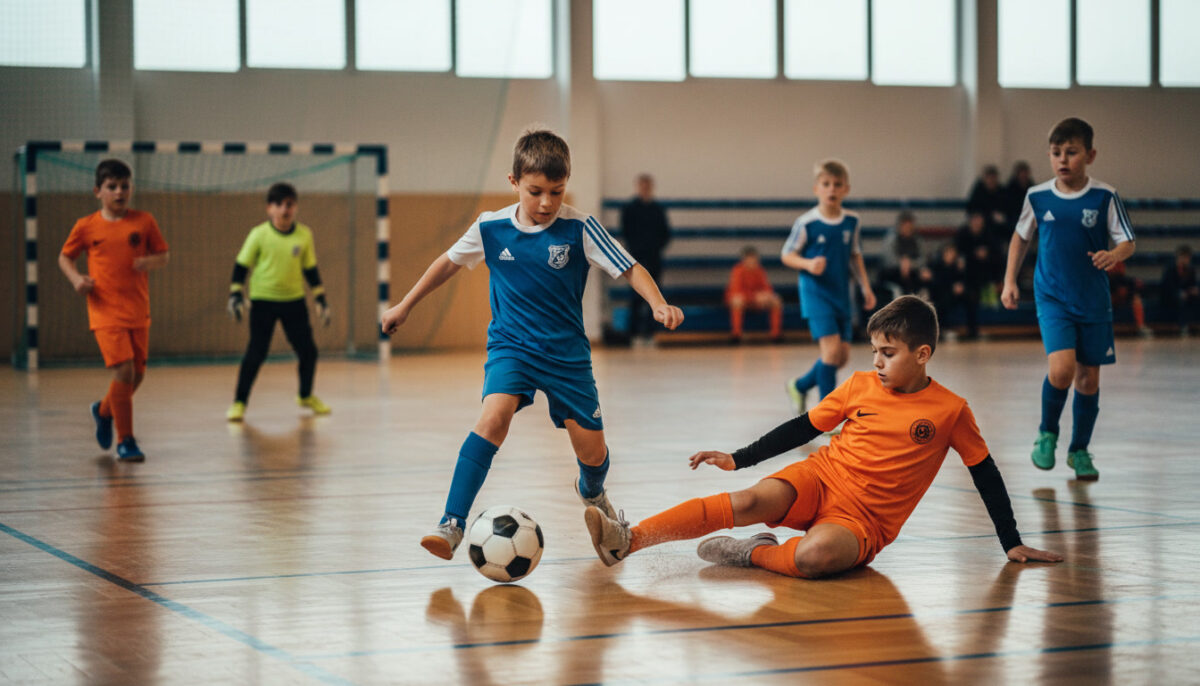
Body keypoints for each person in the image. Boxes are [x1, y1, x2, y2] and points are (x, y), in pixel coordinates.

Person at [583, 295, 1063, 577]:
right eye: (874, 350)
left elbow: (986, 474)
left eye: (888, 353)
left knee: (814, 559)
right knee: (749, 501)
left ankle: (754, 551)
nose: (876, 361)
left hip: (867, 521)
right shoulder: (858, 385)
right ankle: (628, 538)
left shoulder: (951, 411)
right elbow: (802, 427)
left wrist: (1011, 541)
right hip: (822, 478)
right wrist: (739, 457)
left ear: (922, 353)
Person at [380, 128, 684, 560]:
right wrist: (404, 306)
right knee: (492, 419)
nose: (546, 203)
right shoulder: (491, 227)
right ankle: (451, 523)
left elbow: (629, 266)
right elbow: (447, 264)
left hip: (567, 357)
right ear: (514, 182)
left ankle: (593, 494)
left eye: (556, 192)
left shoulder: (580, 227)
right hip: (512, 348)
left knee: (592, 451)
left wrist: (657, 303)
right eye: (535, 191)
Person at [1002, 117, 1136, 481]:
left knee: (1088, 380)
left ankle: (1079, 451)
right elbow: (1020, 237)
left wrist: (1115, 256)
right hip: (1053, 298)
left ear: (1090, 155)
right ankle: (1047, 434)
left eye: (1072, 152)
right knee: (1061, 370)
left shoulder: (1104, 196)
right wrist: (1009, 280)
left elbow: (1127, 240)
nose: (1063, 159)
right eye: (1056, 152)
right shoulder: (1037, 196)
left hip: (1093, 301)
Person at [58, 159, 170, 461]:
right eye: (112, 187)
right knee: (124, 370)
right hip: (104, 311)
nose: (119, 192)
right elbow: (65, 257)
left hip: (138, 310)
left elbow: (164, 255)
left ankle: (103, 410)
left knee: (138, 376)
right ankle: (126, 440)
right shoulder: (86, 226)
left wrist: (150, 262)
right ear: (98, 191)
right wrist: (76, 279)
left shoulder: (144, 221)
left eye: (124, 186)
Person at [225, 183, 332, 422]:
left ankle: (305, 395)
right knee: (256, 352)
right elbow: (242, 265)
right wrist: (235, 294)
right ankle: (239, 403)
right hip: (263, 300)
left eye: (290, 204)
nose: (285, 209)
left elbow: (310, 269)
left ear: (295, 207)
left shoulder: (304, 235)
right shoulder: (259, 234)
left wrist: (321, 299)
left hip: (293, 301)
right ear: (269, 209)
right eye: (280, 204)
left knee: (308, 351)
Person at [783, 160, 876, 414]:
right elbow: (787, 255)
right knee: (831, 351)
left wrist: (866, 288)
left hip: (840, 293)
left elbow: (855, 256)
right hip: (815, 294)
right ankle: (826, 415)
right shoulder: (807, 223)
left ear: (846, 189)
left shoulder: (852, 222)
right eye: (826, 184)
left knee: (841, 356)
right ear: (816, 189)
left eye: (837, 185)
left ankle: (799, 386)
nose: (831, 189)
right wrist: (808, 264)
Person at [619, 173, 671, 343]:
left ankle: (650, 334)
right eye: (642, 185)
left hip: (654, 257)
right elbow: (626, 231)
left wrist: (655, 248)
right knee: (635, 296)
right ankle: (632, 334)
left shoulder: (658, 209)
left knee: (655, 296)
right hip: (635, 258)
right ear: (637, 186)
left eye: (647, 185)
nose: (645, 188)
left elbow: (665, 233)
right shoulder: (629, 208)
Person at [725, 246, 783, 344]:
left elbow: (767, 288)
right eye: (749, 259)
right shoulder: (738, 270)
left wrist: (766, 296)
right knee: (737, 301)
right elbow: (736, 291)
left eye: (754, 259)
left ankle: (776, 335)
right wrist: (754, 297)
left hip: (756, 301)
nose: (752, 262)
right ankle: (736, 335)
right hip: (744, 301)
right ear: (744, 260)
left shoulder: (760, 270)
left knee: (776, 300)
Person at [927, 242, 973, 339]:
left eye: (953, 253)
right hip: (940, 294)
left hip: (955, 293)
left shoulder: (957, 266)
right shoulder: (936, 265)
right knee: (943, 301)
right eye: (949, 253)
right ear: (944, 253)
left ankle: (972, 331)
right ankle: (944, 330)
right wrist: (951, 287)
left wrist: (961, 284)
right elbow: (935, 283)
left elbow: (963, 280)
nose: (951, 256)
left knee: (970, 298)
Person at [1160, 244, 1199, 336]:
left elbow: (1192, 285)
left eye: (1187, 257)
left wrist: (1194, 290)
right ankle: (1183, 326)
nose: (1185, 260)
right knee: (1181, 299)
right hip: (1170, 296)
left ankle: (1195, 325)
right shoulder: (1170, 269)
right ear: (1178, 257)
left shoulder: (1191, 270)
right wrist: (1179, 293)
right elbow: (1168, 287)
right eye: (1183, 257)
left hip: (1186, 294)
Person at [1106, 260, 1150, 337]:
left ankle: (1140, 326)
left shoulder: (1127, 281)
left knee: (1137, 300)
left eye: (1120, 266)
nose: (1119, 268)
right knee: (1105, 300)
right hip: (1111, 299)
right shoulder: (1106, 280)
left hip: (1123, 299)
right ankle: (1104, 328)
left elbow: (1133, 292)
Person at [966, 164, 1008, 235]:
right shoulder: (978, 192)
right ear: (985, 179)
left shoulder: (1001, 192)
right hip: (982, 224)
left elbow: (1006, 208)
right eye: (989, 178)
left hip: (998, 225)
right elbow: (971, 209)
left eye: (993, 178)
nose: (991, 181)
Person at [1004, 161, 1035, 229]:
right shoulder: (1010, 188)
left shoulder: (1032, 188)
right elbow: (1008, 206)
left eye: (1025, 173)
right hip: (1014, 217)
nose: (1023, 175)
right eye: (1021, 173)